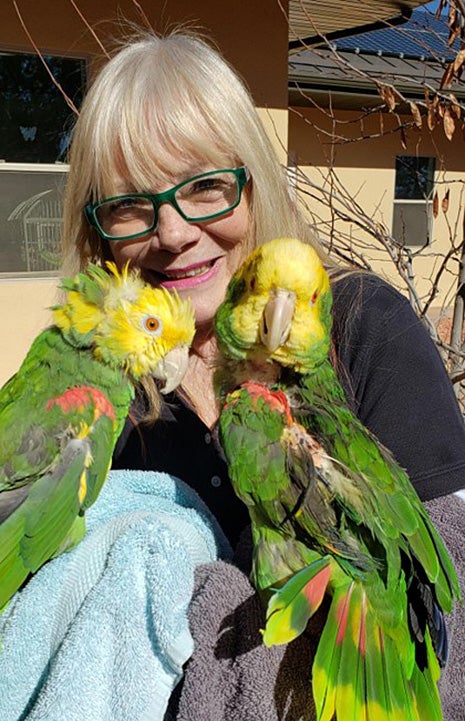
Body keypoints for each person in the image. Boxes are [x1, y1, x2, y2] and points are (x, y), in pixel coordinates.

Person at [61, 27, 465, 719]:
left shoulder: (365, 329)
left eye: (208, 185)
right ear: (99, 233)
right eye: (130, 204)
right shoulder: (100, 408)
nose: (175, 231)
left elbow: (444, 575)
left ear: (254, 185)